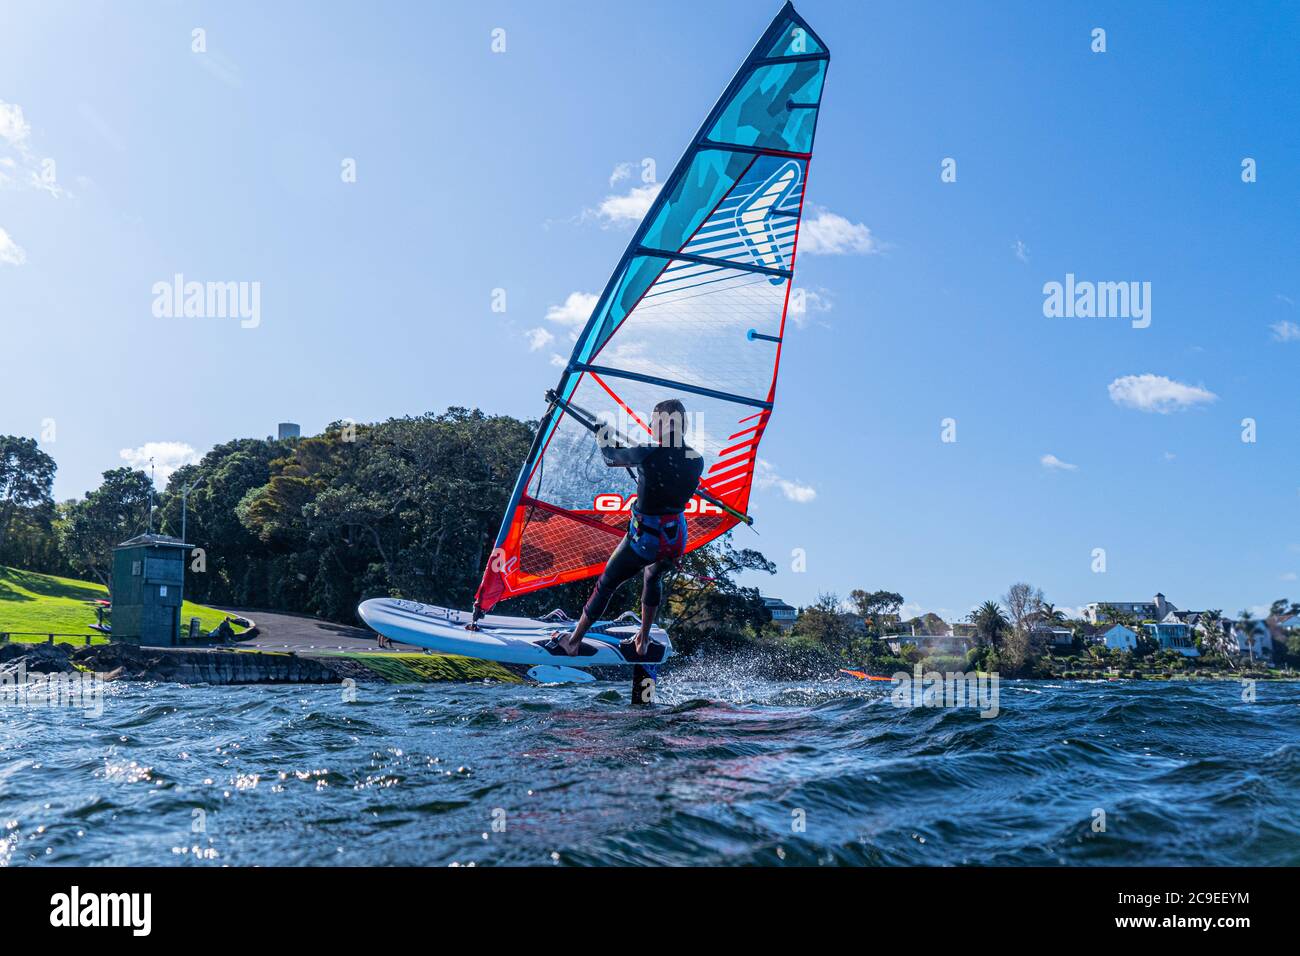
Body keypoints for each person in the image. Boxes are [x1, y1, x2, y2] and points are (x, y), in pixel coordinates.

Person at [545, 398, 703, 659]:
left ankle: (572, 642)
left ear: (664, 423)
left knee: (606, 584)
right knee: (653, 577)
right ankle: (643, 639)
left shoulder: (648, 452)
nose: (651, 426)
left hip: (646, 538)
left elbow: (611, 457)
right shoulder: (696, 459)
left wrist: (602, 434)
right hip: (675, 539)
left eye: (654, 421)